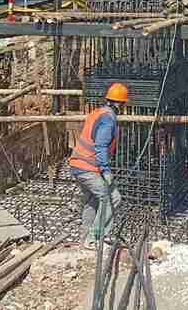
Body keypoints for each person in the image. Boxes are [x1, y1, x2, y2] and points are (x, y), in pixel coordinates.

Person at [68, 82, 128, 250]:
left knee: (92, 201)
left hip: (78, 164)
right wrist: (106, 171)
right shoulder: (108, 120)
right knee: (111, 198)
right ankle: (94, 238)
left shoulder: (97, 112)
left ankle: (85, 239)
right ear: (120, 104)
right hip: (88, 167)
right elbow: (100, 146)